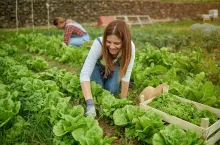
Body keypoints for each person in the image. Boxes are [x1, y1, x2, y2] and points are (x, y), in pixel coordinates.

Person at [80, 20, 135, 117]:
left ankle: (107, 76)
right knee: (98, 89)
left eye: (117, 43)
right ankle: (102, 77)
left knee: (111, 90)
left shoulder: (130, 47)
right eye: (108, 42)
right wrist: (90, 103)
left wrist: (123, 102)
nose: (112, 47)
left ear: (124, 41)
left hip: (114, 66)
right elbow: (85, 74)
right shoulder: (99, 43)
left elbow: (126, 74)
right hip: (97, 66)